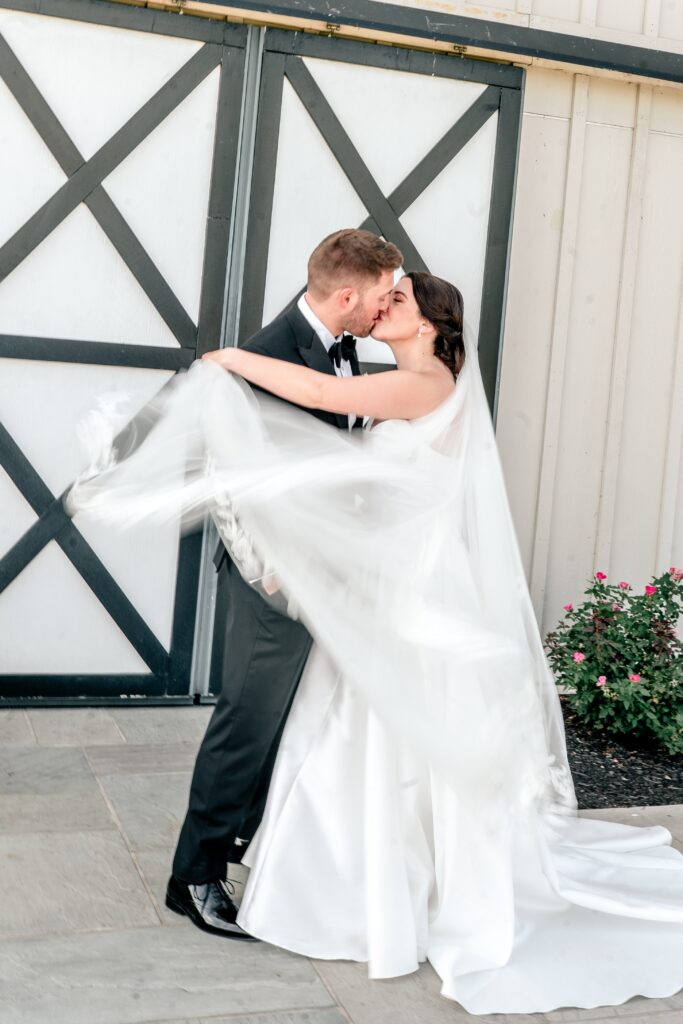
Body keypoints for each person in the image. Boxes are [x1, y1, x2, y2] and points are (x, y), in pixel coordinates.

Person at [68, 269, 683, 1016]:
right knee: (333, 728)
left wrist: (225, 361)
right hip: (379, 580)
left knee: (376, 737)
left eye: (398, 302)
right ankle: (306, 868)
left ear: (428, 324)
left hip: (406, 587)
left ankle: (365, 891)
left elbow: (324, 401)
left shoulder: (422, 383)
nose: (381, 309)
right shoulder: (405, 374)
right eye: (381, 297)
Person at [168, 229, 403, 939]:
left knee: (282, 725)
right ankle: (195, 876)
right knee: (245, 722)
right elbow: (225, 481)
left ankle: (245, 844)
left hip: (323, 572)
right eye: (382, 297)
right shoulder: (262, 357)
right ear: (347, 296)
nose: (385, 309)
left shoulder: (343, 351)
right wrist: (269, 575)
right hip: (272, 579)